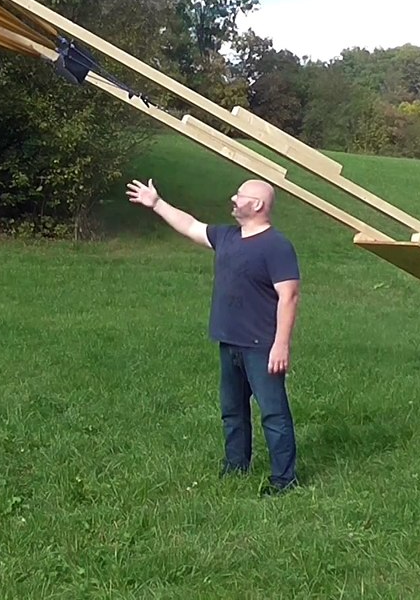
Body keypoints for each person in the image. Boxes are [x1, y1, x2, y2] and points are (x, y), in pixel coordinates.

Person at [126, 176, 301, 495]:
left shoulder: (277, 246)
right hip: (229, 340)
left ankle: (284, 480)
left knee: (273, 414)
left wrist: (281, 344)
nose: (233, 199)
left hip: (261, 346)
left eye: (241, 195)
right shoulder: (227, 236)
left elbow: (289, 296)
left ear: (258, 205)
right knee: (232, 410)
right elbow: (191, 226)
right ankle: (236, 467)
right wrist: (157, 204)